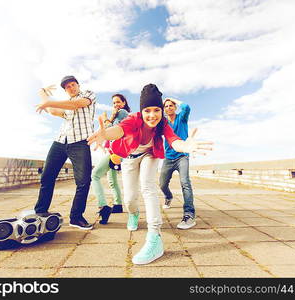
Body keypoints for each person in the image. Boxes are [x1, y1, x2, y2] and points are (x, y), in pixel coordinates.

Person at [87, 84, 212, 265]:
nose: (152, 115)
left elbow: (174, 140)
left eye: (156, 110)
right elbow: (119, 130)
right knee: (130, 198)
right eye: (147, 110)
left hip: (150, 155)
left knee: (148, 187)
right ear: (141, 111)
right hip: (130, 156)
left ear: (161, 110)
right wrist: (106, 134)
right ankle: (134, 213)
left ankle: (155, 237)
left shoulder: (162, 123)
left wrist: (184, 146)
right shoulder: (133, 119)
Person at [34, 75, 96, 230]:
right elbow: (53, 111)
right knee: (47, 177)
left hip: (80, 142)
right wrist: (42, 93)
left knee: (83, 181)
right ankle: (40, 212)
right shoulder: (66, 106)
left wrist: (48, 101)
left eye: (73, 84)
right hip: (60, 142)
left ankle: (76, 217)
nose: (71, 88)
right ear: (65, 90)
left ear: (78, 85)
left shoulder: (88, 94)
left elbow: (77, 104)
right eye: (68, 87)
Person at [91, 94, 131, 224]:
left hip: (117, 151)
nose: (116, 105)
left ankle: (103, 206)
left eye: (118, 102)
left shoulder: (122, 112)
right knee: (112, 180)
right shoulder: (118, 114)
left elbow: (116, 130)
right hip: (113, 151)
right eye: (114, 103)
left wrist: (108, 119)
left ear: (124, 103)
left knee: (95, 175)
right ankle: (118, 204)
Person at [159, 98, 197, 229]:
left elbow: (187, 107)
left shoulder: (182, 118)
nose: (169, 107)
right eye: (166, 106)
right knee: (162, 184)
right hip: (168, 157)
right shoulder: (163, 122)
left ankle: (189, 214)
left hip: (182, 156)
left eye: (171, 106)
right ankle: (168, 197)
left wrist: (172, 99)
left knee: (185, 182)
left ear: (175, 107)